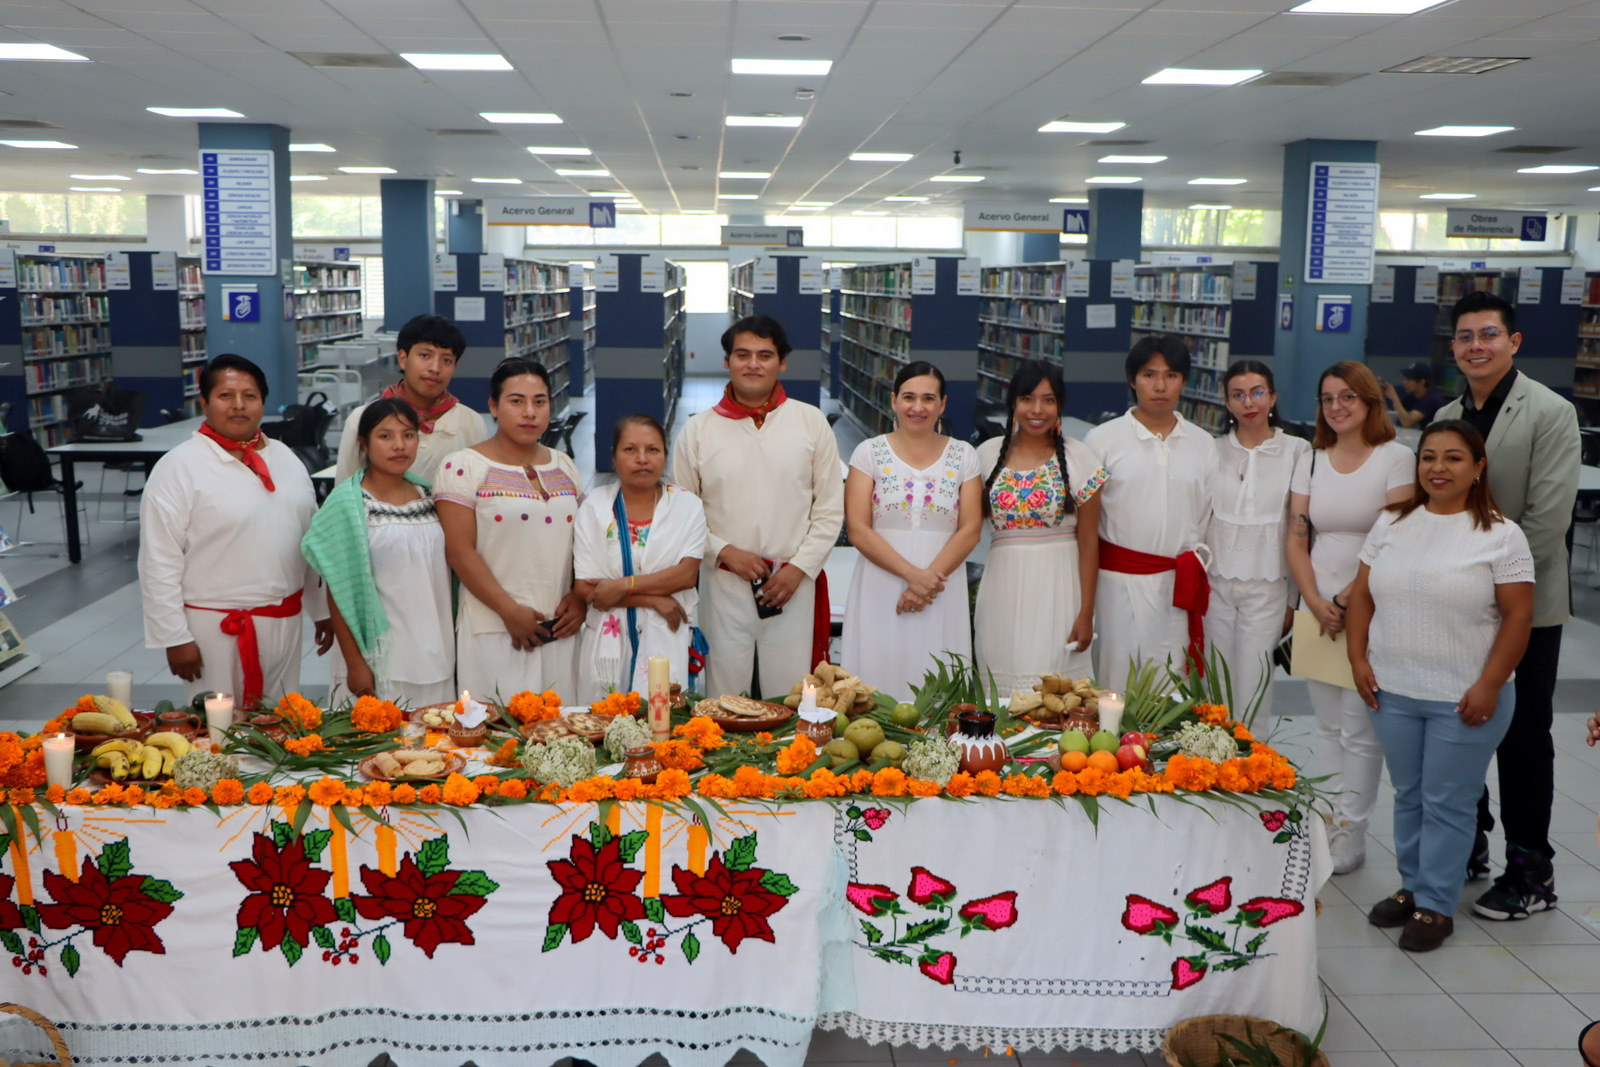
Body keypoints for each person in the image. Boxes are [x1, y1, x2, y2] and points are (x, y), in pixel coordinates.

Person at [1346, 420, 1534, 952]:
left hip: (1465, 696)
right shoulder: (1391, 522)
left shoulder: (1501, 535)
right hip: (1392, 690)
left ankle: (1435, 903)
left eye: (1453, 458)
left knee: (1447, 801)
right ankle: (1412, 886)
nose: (1438, 468)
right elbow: (1362, 596)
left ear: (1478, 468)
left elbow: (1519, 617)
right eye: (1428, 456)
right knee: (1409, 795)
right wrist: (1357, 657)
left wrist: (1490, 684)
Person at [1435, 291, 1583, 920]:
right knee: (1457, 723)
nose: (1477, 346)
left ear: (1513, 342)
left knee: (1523, 736)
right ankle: (1467, 842)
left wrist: (1484, 582)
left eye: (1489, 334)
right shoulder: (1448, 414)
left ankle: (1529, 870)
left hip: (1524, 608)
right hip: (1457, 607)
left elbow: (1547, 522)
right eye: (1466, 336)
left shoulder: (1550, 412)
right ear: (1454, 346)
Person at [139, 354, 331, 708]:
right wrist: (173, 636)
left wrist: (321, 610)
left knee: (278, 723)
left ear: (263, 402)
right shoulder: (178, 467)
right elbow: (158, 559)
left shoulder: (286, 458)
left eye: (250, 396)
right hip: (213, 627)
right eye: (226, 395)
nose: (238, 405)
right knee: (218, 729)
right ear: (204, 403)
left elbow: (310, 541)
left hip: (283, 620)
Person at [1286, 360, 1415, 875]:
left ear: (1369, 401)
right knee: (1327, 725)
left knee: (1361, 727)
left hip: (1370, 606)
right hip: (1317, 608)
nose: (1337, 407)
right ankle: (1327, 818)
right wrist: (1315, 600)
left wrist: (1344, 601)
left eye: (1347, 397)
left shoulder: (1396, 458)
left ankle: (1353, 829)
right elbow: (1297, 537)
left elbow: (1394, 539)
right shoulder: (1311, 459)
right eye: (1327, 398)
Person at [672, 314, 843, 698]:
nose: (753, 364)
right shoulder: (698, 430)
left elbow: (830, 509)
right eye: (742, 354)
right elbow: (682, 514)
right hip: (724, 584)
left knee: (789, 696)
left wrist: (799, 568)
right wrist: (723, 551)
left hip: (791, 585)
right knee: (725, 698)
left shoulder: (810, 423)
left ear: (782, 363)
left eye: (765, 355)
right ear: (727, 361)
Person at [437, 358, 584, 700]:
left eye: (539, 401)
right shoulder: (463, 467)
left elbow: (583, 542)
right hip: (494, 627)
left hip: (561, 626)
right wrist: (509, 611)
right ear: (493, 406)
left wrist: (579, 597)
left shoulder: (564, 466)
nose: (529, 412)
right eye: (516, 401)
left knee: (560, 723)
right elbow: (459, 551)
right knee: (497, 723)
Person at [840, 362, 983, 700]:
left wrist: (925, 583)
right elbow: (858, 529)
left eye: (928, 398)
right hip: (881, 582)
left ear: (942, 404)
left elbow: (971, 529)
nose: (918, 407)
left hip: (941, 586)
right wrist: (913, 576)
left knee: (937, 678)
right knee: (878, 676)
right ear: (894, 400)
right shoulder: (869, 453)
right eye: (909, 397)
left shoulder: (964, 455)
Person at [302, 398, 455, 708]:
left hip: (436, 651)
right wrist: (355, 663)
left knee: (433, 736)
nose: (399, 445)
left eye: (408, 435)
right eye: (385, 436)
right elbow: (339, 591)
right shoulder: (348, 505)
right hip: (380, 661)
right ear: (364, 443)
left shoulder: (431, 497)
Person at [1085, 335, 1218, 687]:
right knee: (1115, 685)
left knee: (1171, 686)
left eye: (1171, 375)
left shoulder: (1203, 444)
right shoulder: (1102, 440)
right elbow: (1086, 523)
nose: (1160, 386)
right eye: (1149, 375)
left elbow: (1205, 516)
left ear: (1184, 381)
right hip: (1116, 584)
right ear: (1132, 380)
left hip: (1177, 585)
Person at [973, 360, 1106, 691]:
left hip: (1060, 590)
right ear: (1012, 403)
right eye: (1027, 399)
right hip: (1001, 588)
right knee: (1001, 690)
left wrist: (1086, 613)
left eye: (1048, 400)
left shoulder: (1080, 457)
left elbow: (1089, 541)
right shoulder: (985, 455)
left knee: (1056, 696)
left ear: (1059, 405)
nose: (1037, 410)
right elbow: (966, 528)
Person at [574, 414, 707, 702]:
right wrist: (653, 599)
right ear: (614, 456)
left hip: (665, 636)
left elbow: (686, 575)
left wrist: (622, 585)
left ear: (665, 455)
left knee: (661, 721)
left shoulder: (687, 506)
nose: (642, 459)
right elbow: (585, 588)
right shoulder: (595, 507)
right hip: (607, 643)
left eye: (653, 450)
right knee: (603, 718)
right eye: (630, 449)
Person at [1204, 361, 1309, 722]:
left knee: (1255, 683)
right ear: (1227, 402)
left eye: (1257, 392)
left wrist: (1294, 599)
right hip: (1214, 583)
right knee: (1213, 682)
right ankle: (1210, 753)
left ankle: (1252, 754)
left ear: (1273, 397)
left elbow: (1300, 529)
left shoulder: (1297, 451)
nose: (1248, 402)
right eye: (1238, 395)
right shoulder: (1212, 450)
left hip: (1269, 584)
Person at [334, 314, 487, 485]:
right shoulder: (361, 419)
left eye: (446, 360)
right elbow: (345, 491)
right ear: (403, 359)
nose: (435, 368)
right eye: (425, 355)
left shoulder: (471, 423)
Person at [1381, 362, 1446, 430]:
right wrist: (1380, 395)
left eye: (1409, 379)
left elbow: (1407, 422)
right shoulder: (1412, 397)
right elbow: (1390, 416)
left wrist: (1394, 397)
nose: (1405, 383)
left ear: (1422, 382)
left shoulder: (1431, 399)